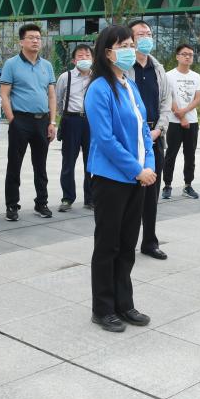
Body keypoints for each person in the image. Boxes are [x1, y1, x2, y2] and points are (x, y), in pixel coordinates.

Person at [84, 24, 155, 332]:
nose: (129, 50)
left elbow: (144, 131)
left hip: (138, 178)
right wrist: (136, 169)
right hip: (111, 179)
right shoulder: (99, 88)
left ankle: (124, 303)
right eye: (122, 45)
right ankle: (102, 308)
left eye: (131, 44)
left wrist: (148, 166)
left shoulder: (130, 85)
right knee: (107, 245)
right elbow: (105, 139)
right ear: (107, 52)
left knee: (127, 245)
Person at [0, 23, 56, 221]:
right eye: (31, 37)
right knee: (14, 165)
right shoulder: (11, 64)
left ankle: (42, 203)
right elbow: (4, 94)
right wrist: (12, 120)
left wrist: (52, 122)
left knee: (41, 165)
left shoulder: (47, 65)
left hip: (42, 121)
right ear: (21, 41)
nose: (35, 41)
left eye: (38, 38)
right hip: (20, 120)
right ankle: (12, 205)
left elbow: (51, 95)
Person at [126, 20, 172, 260]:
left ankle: (149, 242)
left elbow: (166, 102)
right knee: (130, 192)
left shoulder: (158, 68)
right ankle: (126, 241)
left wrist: (160, 129)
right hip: (131, 138)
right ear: (130, 39)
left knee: (152, 193)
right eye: (140, 34)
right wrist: (141, 133)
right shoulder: (124, 68)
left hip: (155, 136)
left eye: (149, 33)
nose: (146, 37)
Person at [55, 44, 93, 212]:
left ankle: (90, 199)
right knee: (68, 161)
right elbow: (58, 100)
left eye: (87, 55)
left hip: (92, 122)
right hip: (71, 120)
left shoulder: (97, 77)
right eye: (80, 56)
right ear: (73, 60)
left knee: (91, 162)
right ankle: (67, 198)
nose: (84, 58)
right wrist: (64, 117)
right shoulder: (65, 77)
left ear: (93, 59)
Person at [162, 44, 200, 200]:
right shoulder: (168, 76)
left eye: (190, 54)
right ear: (177, 56)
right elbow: (169, 98)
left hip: (192, 121)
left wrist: (185, 113)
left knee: (190, 155)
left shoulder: (196, 76)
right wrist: (181, 117)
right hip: (174, 122)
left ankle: (188, 185)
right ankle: (167, 185)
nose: (187, 57)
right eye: (184, 54)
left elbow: (197, 99)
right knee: (170, 154)